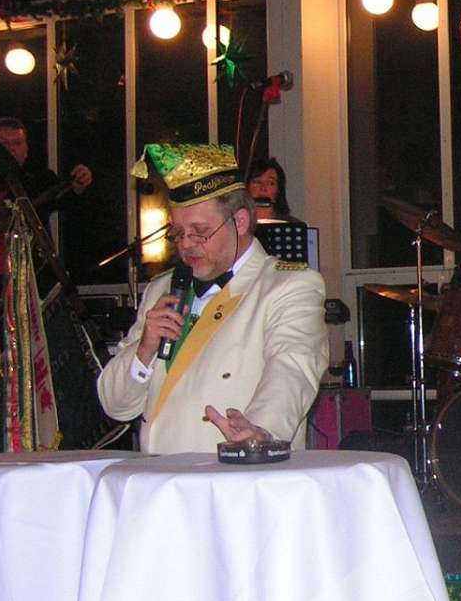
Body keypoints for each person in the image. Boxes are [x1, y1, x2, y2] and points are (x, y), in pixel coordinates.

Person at [97, 143, 328, 452]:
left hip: (236, 471)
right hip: (159, 474)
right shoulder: (161, 289)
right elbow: (115, 406)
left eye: (199, 231)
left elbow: (293, 366)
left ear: (240, 222)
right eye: (178, 233)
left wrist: (261, 430)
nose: (186, 244)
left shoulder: (288, 285)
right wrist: (145, 349)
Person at [0, 116, 93, 283]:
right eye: (3, 144)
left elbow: (68, 201)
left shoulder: (39, 181)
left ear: (26, 149)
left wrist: (79, 185)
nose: (11, 149)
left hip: (28, 280)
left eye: (17, 143)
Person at [246, 156, 298, 223]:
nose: (263, 188)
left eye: (270, 183)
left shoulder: (291, 224)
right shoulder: (237, 223)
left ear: (278, 189)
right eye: (257, 182)